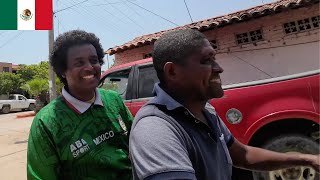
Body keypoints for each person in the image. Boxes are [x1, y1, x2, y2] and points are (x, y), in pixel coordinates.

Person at [129, 29, 320, 180]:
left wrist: (307, 159)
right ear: (172, 72)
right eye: (206, 61)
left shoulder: (205, 110)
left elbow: (242, 154)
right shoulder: (155, 128)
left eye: (214, 58)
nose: (218, 68)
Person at [27, 30, 133, 179]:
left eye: (94, 60)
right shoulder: (46, 122)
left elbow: (135, 143)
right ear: (63, 71)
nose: (90, 67)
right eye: (79, 63)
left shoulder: (113, 100)